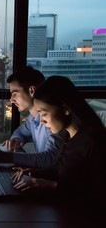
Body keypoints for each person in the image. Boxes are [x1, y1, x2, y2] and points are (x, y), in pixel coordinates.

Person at [12, 76, 106, 208]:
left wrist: (52, 186)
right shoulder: (69, 136)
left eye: (43, 113)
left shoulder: (92, 142)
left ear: (66, 108)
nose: (41, 121)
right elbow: (66, 174)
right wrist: (34, 173)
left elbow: (100, 196)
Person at [0, 66, 65, 168]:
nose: (11, 100)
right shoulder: (33, 118)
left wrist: (5, 157)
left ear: (32, 90)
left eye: (14, 93)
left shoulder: (52, 120)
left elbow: (49, 159)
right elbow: (20, 132)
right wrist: (17, 140)